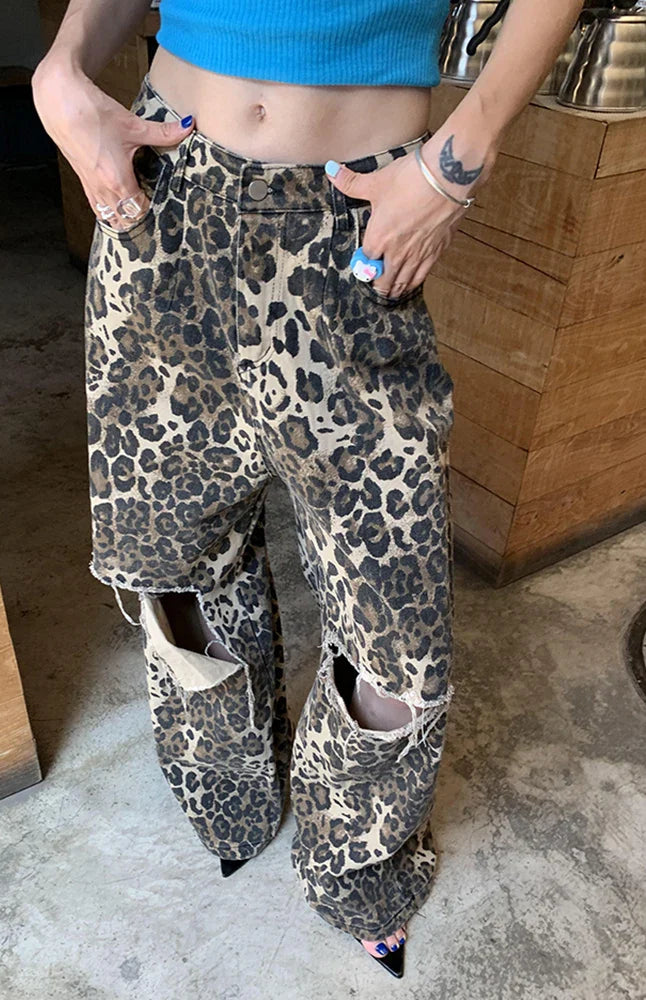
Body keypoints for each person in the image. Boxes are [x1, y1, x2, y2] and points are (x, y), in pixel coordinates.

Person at [32, 0, 584, 977]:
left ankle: (357, 861)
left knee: (395, 628)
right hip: (167, 197)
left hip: (352, 213)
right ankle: (228, 797)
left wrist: (458, 163)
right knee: (177, 567)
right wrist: (63, 64)